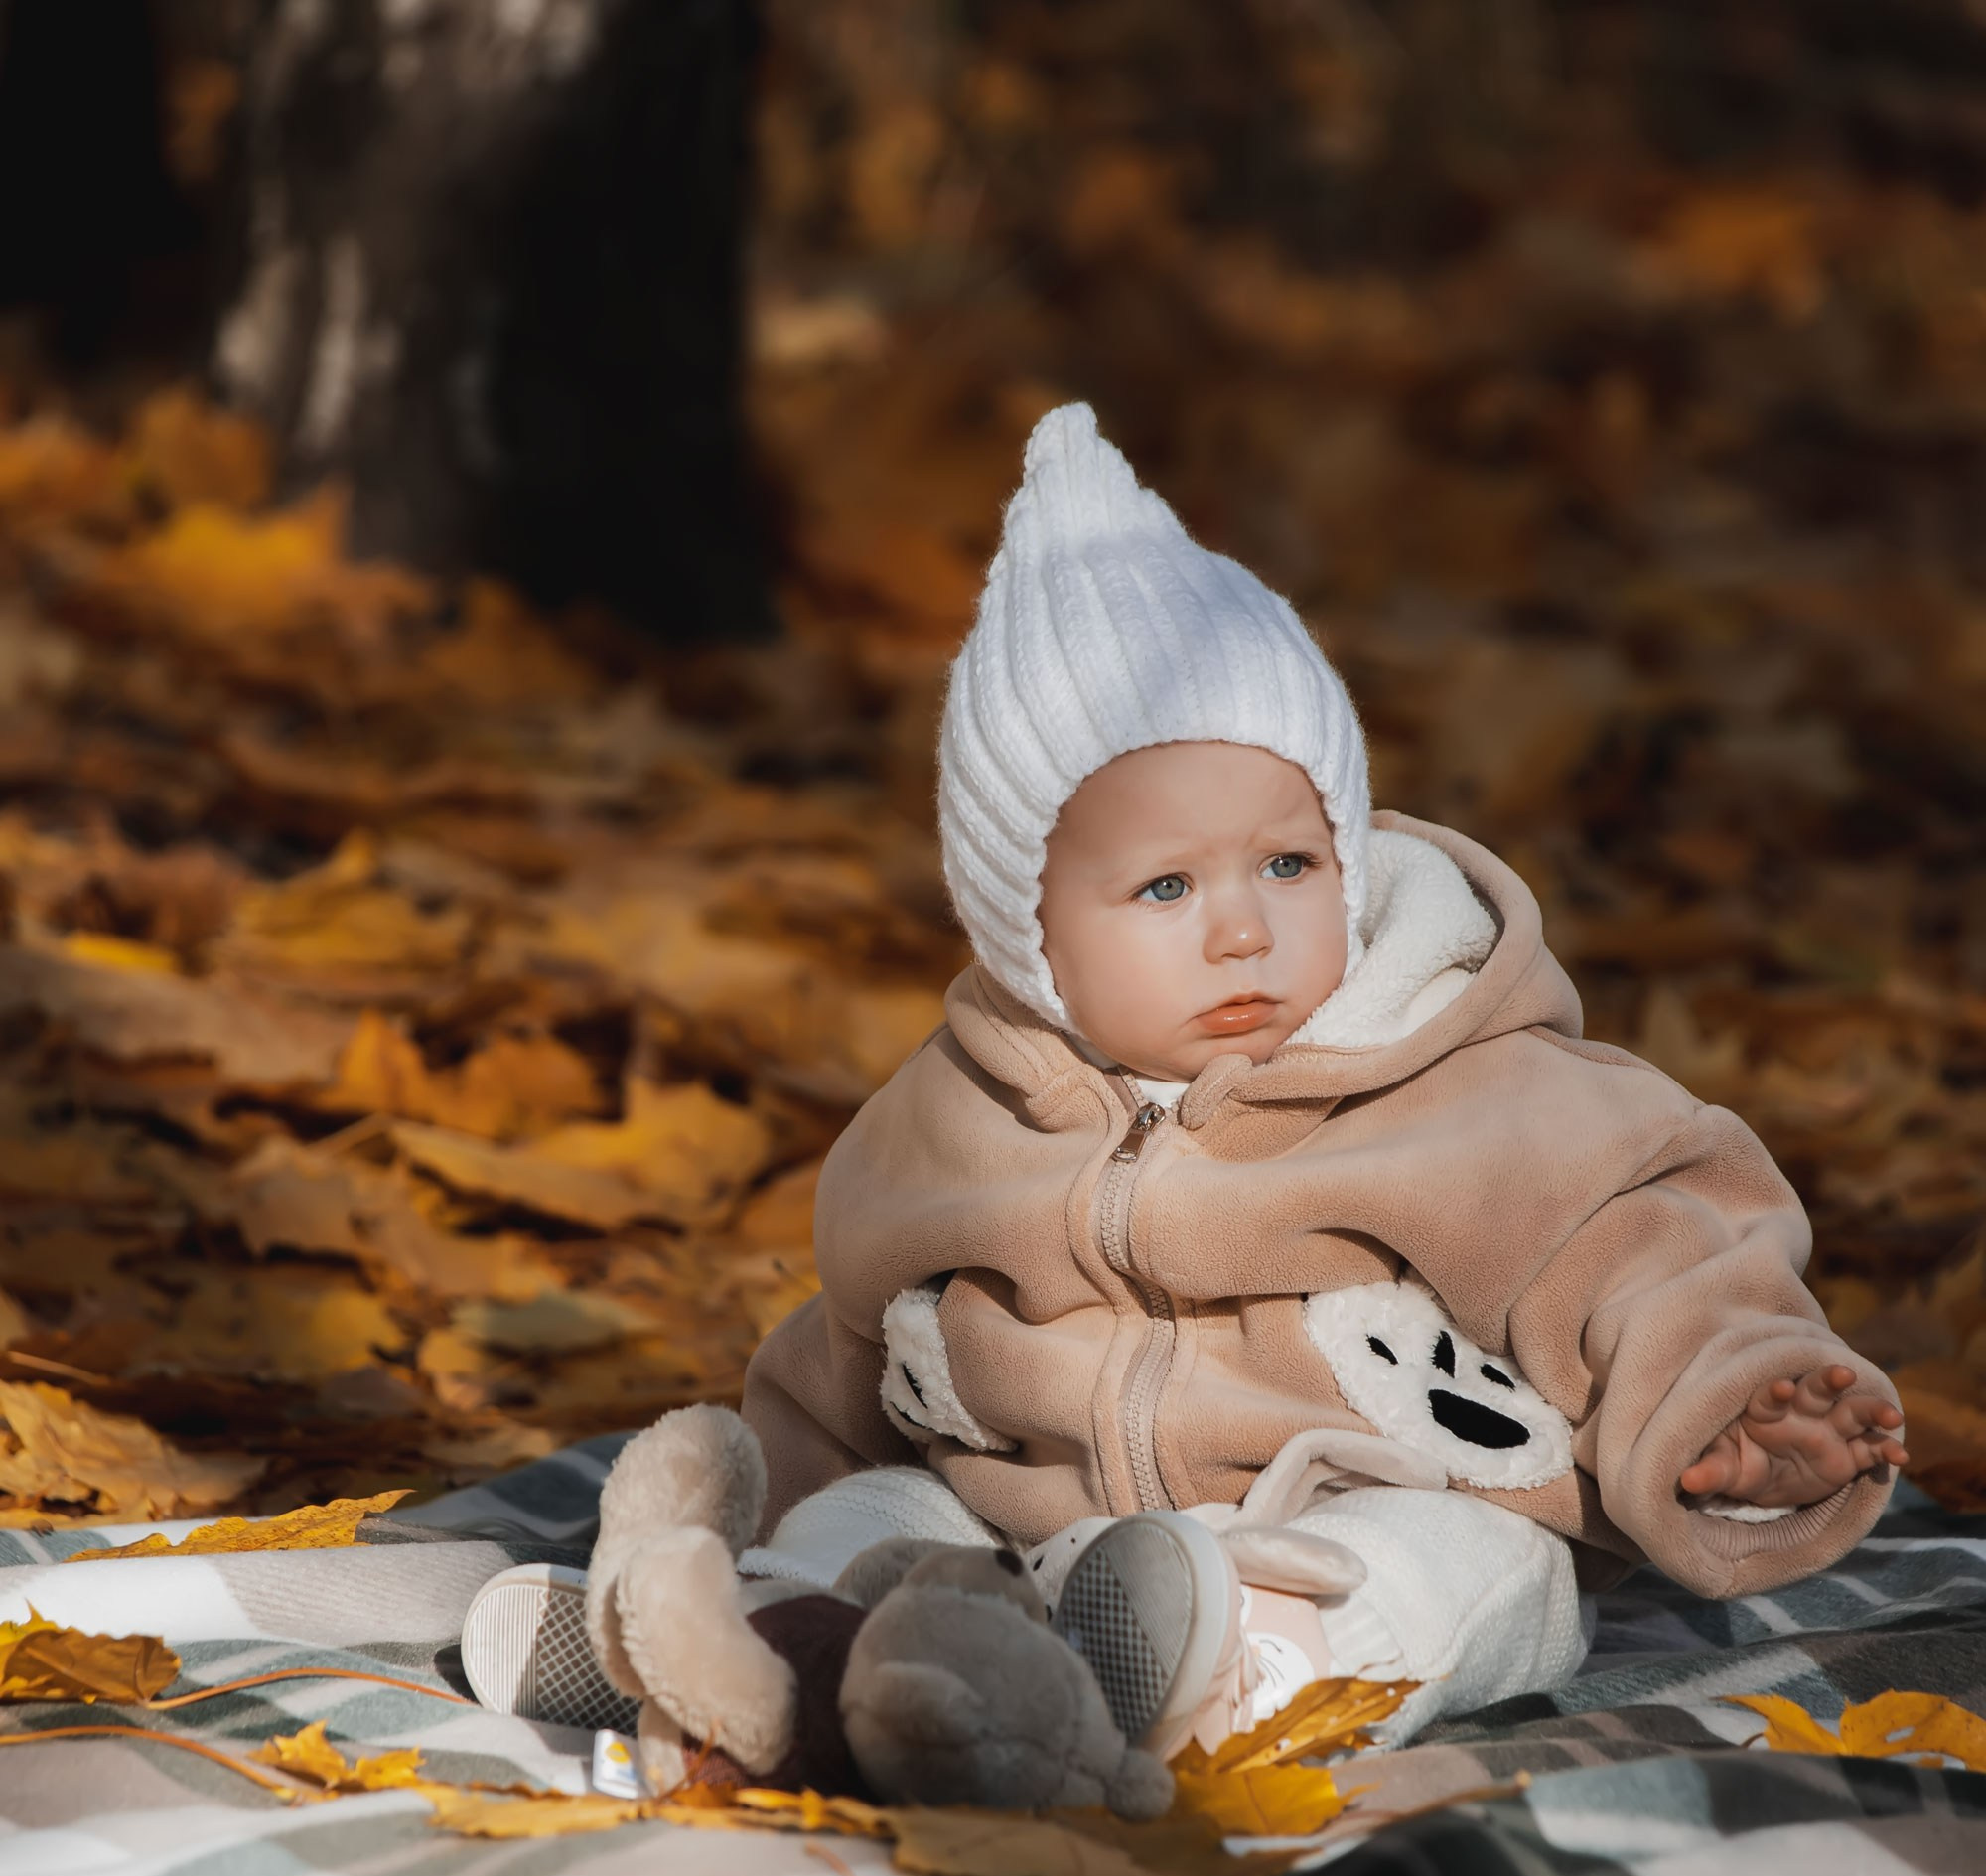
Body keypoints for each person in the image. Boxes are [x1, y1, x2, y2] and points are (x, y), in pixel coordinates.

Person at [462, 403, 1906, 1795]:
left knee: (1480, 1575)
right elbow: (848, 1366)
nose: (1241, 930)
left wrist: (1728, 1409)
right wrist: (791, 1507)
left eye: (1288, 864)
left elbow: (1653, 1251)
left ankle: (1224, 1683)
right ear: (1026, 930)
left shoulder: (1477, 1091)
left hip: (1354, 1522)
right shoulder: (954, 1123)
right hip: (1025, 1545)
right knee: (877, 1510)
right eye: (1165, 887)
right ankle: (746, 1641)